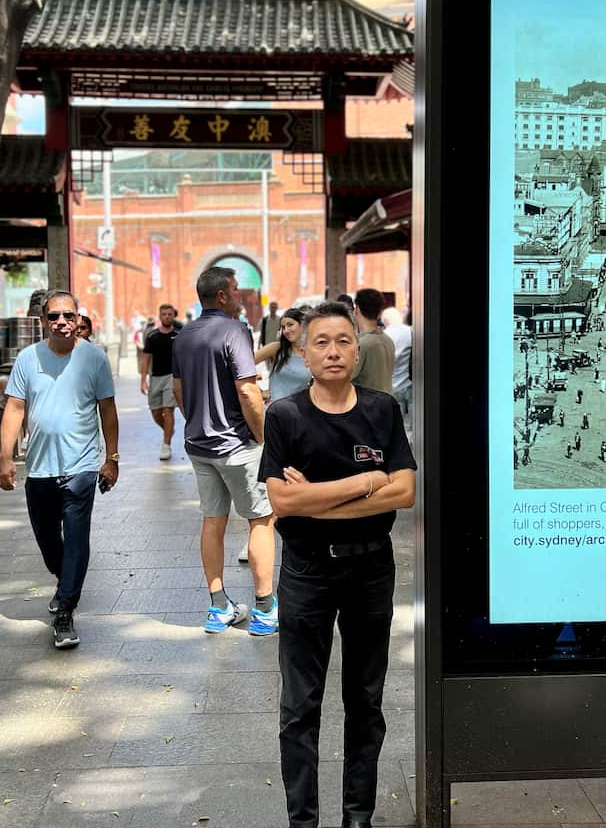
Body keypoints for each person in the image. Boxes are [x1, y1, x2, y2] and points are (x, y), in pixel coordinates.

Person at [259, 301, 417, 828]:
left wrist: (321, 495)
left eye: (343, 340)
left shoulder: (382, 409)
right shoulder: (285, 415)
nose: (333, 351)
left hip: (372, 570)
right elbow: (283, 502)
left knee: (365, 702)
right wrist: (366, 482)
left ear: (358, 348)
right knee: (300, 707)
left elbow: (406, 492)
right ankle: (302, 821)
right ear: (304, 354)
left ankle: (358, 818)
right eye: (321, 342)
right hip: (306, 571)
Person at [0, 290, 119, 650]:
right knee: (50, 542)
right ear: (43, 322)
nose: (61, 322)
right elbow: (15, 408)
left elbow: (107, 410)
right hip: (39, 469)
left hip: (81, 466)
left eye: (68, 316)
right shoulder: (27, 358)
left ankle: (65, 609)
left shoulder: (94, 358)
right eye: (54, 317)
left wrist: (111, 459)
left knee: (77, 539)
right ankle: (64, 578)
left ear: (78, 319)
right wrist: (5, 457)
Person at [172, 266, 276, 635]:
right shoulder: (235, 330)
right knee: (261, 519)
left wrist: (198, 420)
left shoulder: (183, 336)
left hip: (199, 445)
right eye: (234, 289)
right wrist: (264, 438)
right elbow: (248, 391)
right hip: (237, 444)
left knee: (212, 522)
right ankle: (264, 609)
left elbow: (178, 391)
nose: (238, 294)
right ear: (221, 296)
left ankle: (219, 607)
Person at [139, 304, 184, 461]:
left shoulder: (179, 335)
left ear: (173, 316)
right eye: (164, 314)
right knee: (156, 412)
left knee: (168, 410)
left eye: (169, 314)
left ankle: (166, 445)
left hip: (172, 377)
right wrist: (143, 380)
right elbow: (145, 359)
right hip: (155, 377)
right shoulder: (152, 336)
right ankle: (168, 430)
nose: (167, 317)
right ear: (160, 316)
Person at [254, 306, 312, 402]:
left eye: (290, 325)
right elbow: (243, 367)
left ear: (302, 324)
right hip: (275, 410)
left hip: (300, 412)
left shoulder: (312, 353)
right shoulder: (276, 348)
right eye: (283, 327)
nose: (286, 331)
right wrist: (259, 391)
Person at [350, 289, 394, 395]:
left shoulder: (360, 344)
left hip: (367, 408)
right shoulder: (388, 340)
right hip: (387, 404)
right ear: (379, 313)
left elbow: (344, 378)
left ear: (356, 310)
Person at [380, 306, 412, 429]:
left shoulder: (384, 336)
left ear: (385, 321)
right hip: (409, 385)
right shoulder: (411, 332)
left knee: (396, 425)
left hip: (391, 387)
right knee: (412, 425)